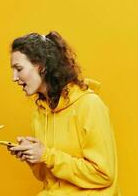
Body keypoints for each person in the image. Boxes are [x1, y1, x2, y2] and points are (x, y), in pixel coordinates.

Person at [8, 31, 120, 195]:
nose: (14, 77)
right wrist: (32, 156)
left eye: (19, 68)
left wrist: (47, 155)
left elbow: (103, 175)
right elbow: (46, 178)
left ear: (41, 66)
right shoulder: (40, 113)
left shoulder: (89, 105)